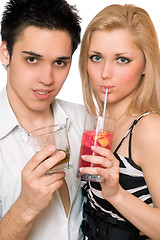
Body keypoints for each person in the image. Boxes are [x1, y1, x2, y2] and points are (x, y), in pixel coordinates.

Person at [0, 0, 87, 239]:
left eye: (60, 62)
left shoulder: (84, 121)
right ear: (5, 53)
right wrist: (25, 207)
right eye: (32, 59)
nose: (47, 79)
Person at [79, 4, 160, 240]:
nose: (105, 73)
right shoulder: (94, 125)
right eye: (96, 57)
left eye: (122, 60)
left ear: (146, 65)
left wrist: (116, 194)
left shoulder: (149, 129)